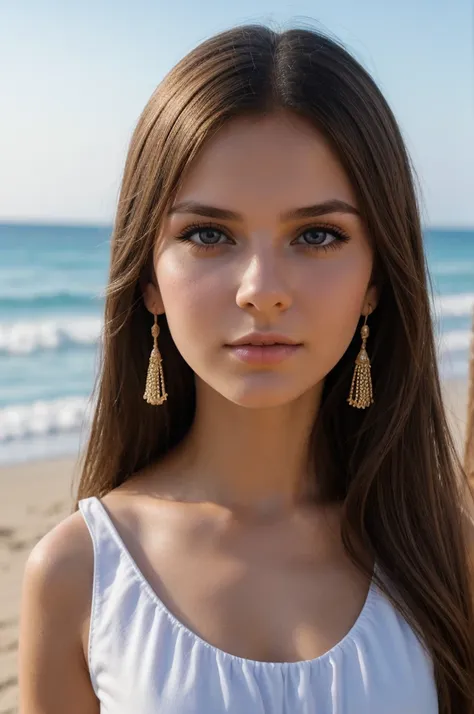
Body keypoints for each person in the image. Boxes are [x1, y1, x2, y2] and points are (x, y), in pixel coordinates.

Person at [17, 22, 474, 714]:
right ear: (148, 276)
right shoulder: (80, 575)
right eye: (208, 234)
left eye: (317, 235)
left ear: (375, 278)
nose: (261, 287)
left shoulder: (446, 559)